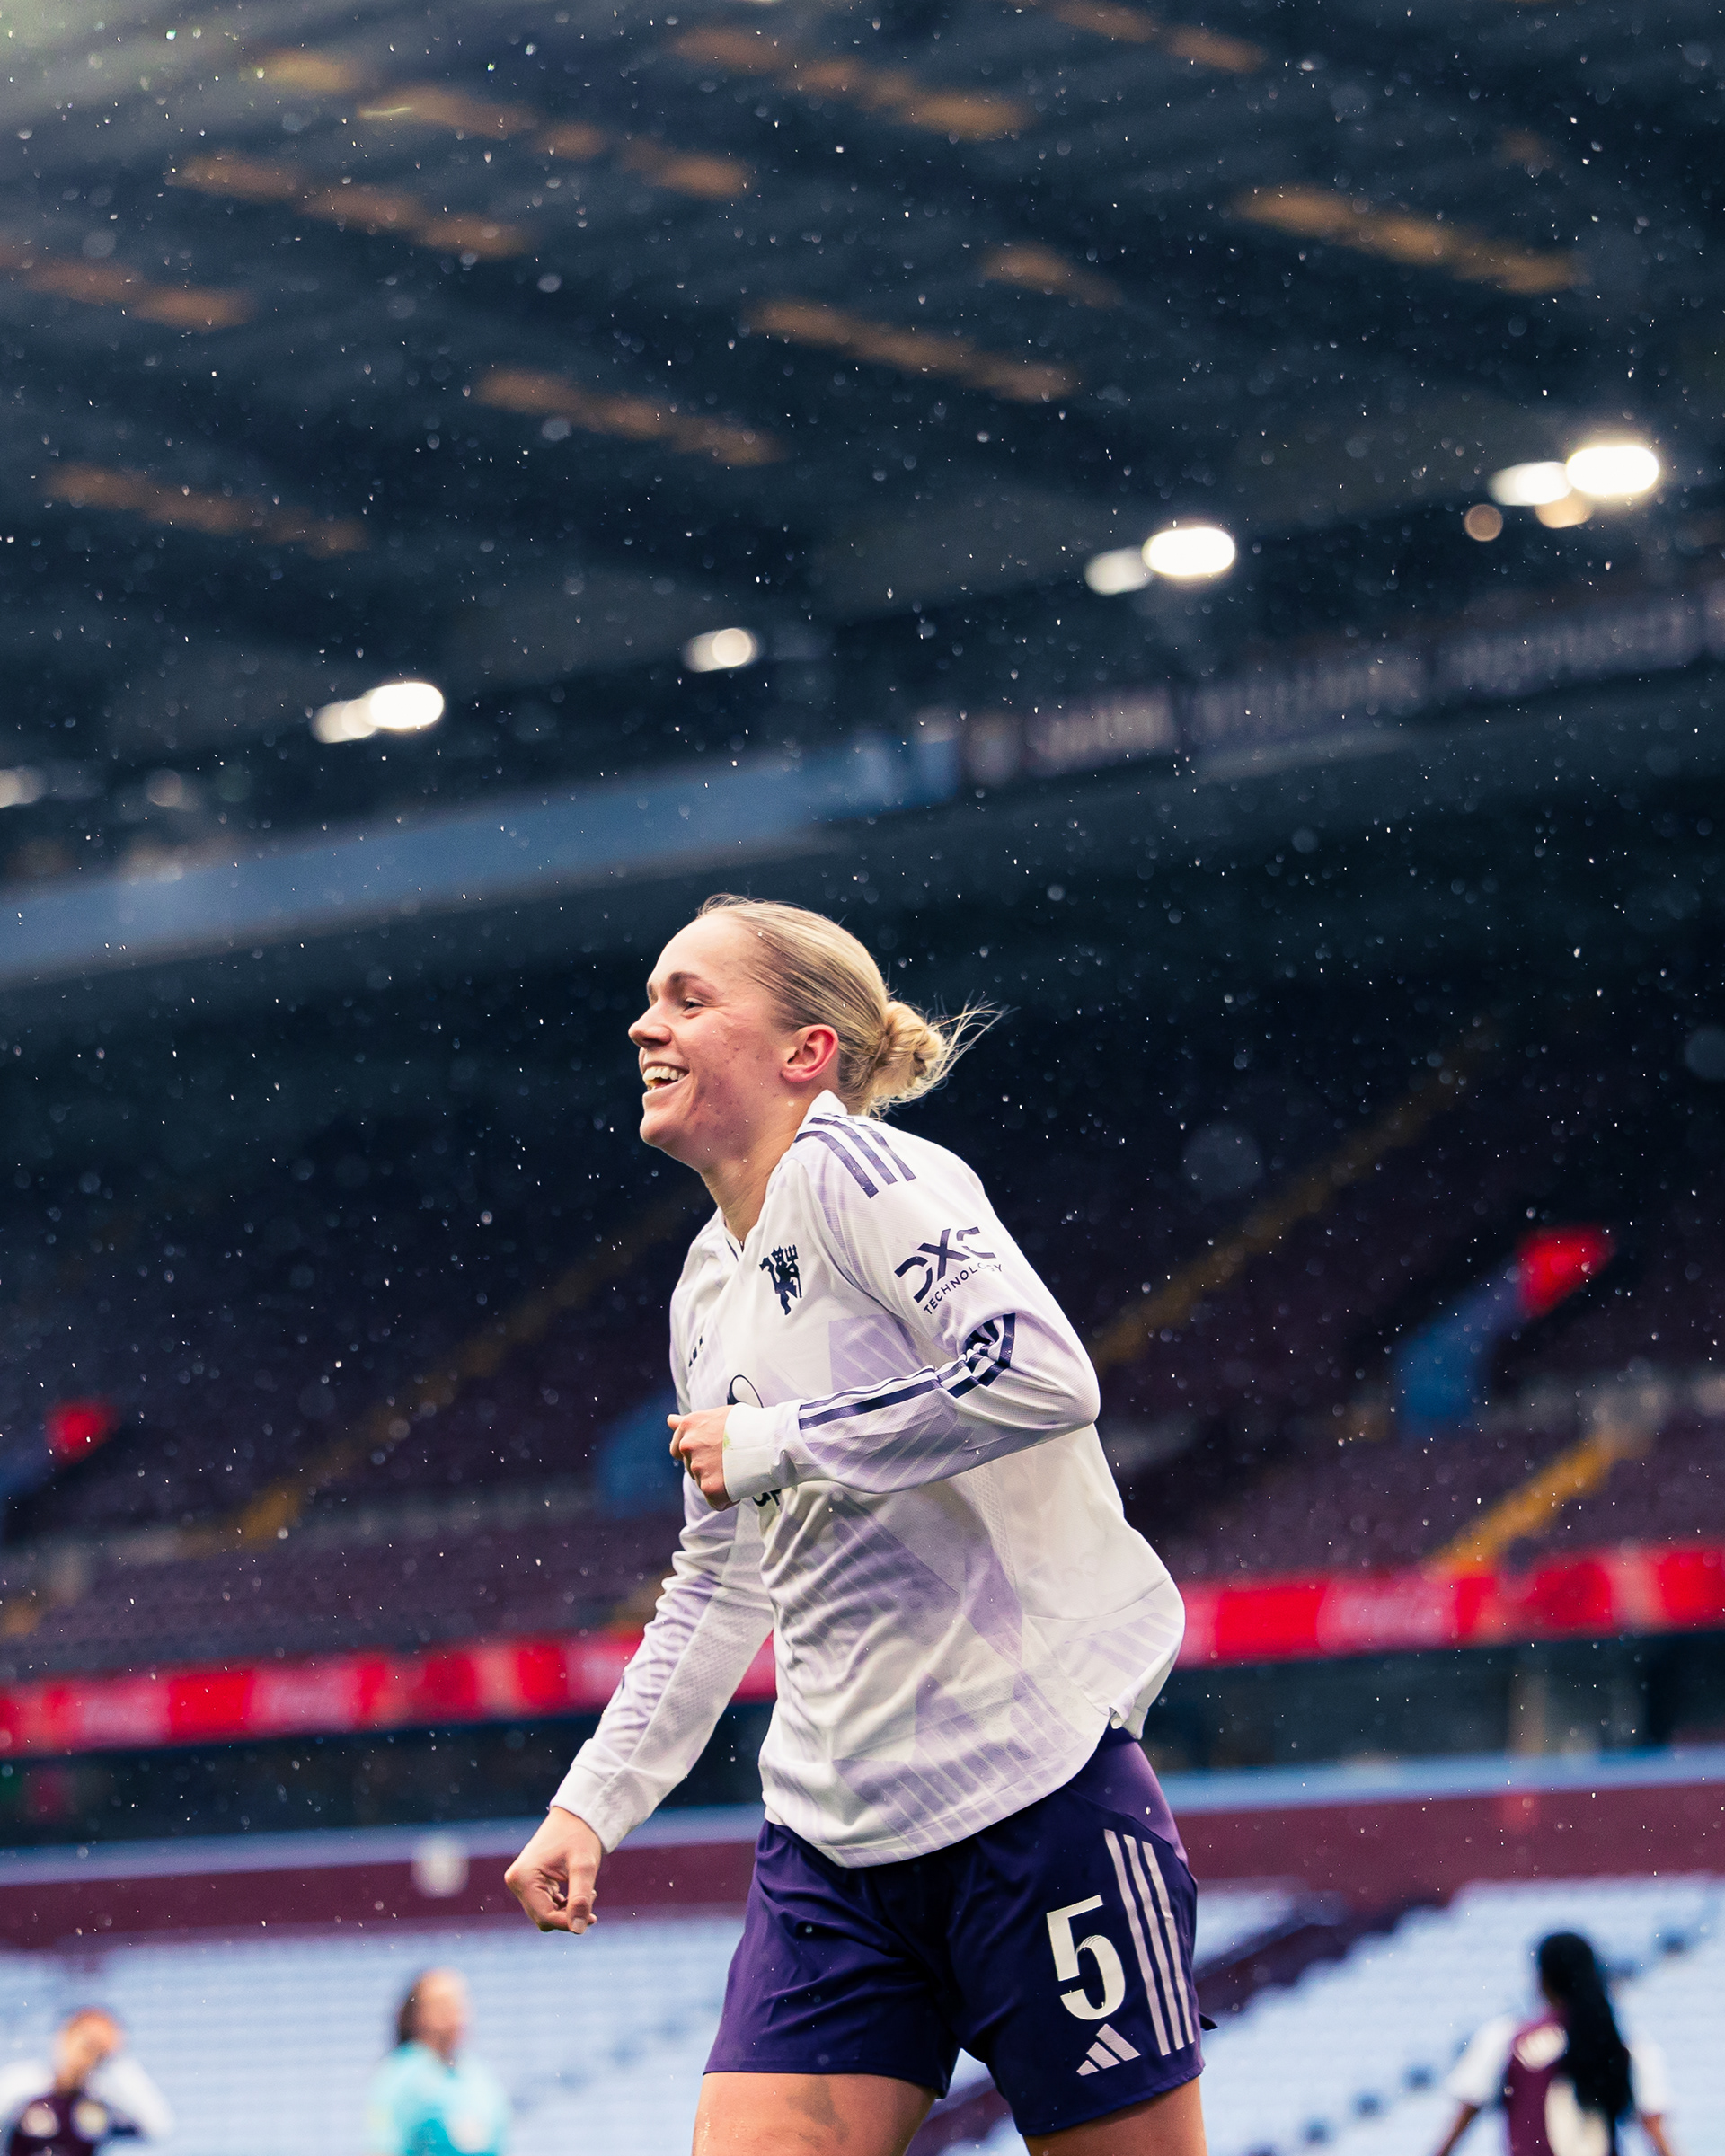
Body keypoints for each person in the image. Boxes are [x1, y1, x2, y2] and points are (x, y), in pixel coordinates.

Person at [506, 896, 1198, 2156]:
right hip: (829, 1850)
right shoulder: (704, 1286)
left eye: (689, 999)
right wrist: (591, 1804)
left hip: (1034, 1803)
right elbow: (718, 1584)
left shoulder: (869, 1175)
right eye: (651, 1000)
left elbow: (1042, 1374)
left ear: (806, 1052)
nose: (646, 1025)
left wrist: (781, 1441)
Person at [1432, 1931, 1677, 2156]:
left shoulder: (1505, 2039)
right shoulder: (1623, 2046)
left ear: (1542, 1979)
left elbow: (1462, 2121)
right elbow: (1655, 2132)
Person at [365, 1968, 509, 2156]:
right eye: (443, 2005)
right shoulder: (399, 2076)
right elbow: (384, 2147)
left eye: (459, 2005)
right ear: (418, 2015)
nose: (454, 2015)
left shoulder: (478, 2074)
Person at [0, 2007, 172, 2156]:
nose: (88, 2054)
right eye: (86, 2044)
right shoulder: (24, 2084)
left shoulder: (100, 2100)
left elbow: (157, 2127)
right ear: (65, 2039)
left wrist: (117, 2060)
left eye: (98, 2049)